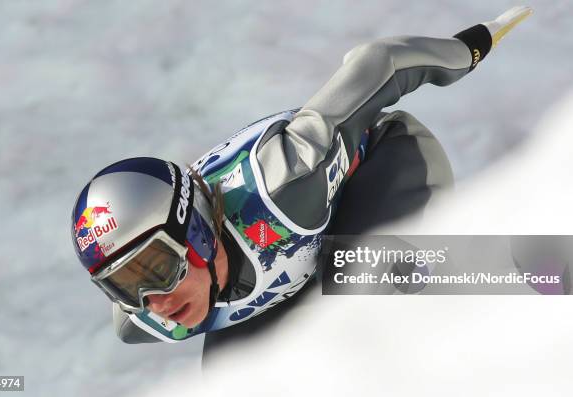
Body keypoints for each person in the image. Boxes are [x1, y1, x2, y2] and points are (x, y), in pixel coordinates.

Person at [70, 7, 532, 347]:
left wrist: (473, 45)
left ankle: (540, 278)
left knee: (364, 282)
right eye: (126, 286)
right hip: (295, 268)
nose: (156, 301)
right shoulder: (141, 319)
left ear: (197, 235)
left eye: (158, 268)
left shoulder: (283, 184)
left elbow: (382, 64)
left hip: (381, 168)